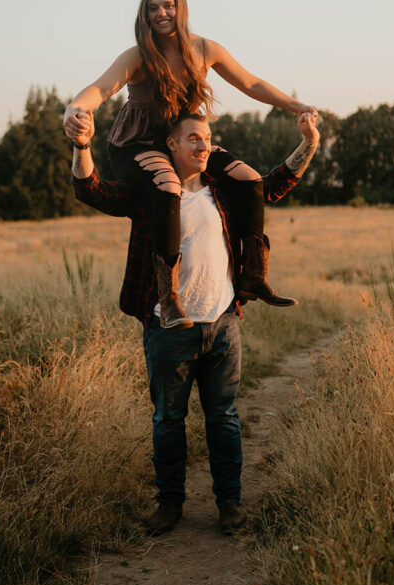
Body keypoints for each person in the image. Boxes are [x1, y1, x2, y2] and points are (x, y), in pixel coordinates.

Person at [71, 109, 320, 535]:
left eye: (206, 139)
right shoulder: (150, 194)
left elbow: (273, 183)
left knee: (223, 419)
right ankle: (169, 506)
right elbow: (93, 191)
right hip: (169, 332)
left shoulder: (222, 190)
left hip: (222, 325)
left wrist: (309, 143)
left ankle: (230, 505)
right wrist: (81, 146)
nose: (203, 146)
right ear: (172, 145)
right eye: (193, 139)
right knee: (169, 420)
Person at [63, 0, 317, 329]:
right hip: (137, 144)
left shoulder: (205, 49)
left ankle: (253, 275)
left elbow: (251, 83)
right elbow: (101, 88)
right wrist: (75, 109)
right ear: (145, 15)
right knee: (168, 187)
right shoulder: (138, 55)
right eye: (153, 8)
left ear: (180, 9)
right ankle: (169, 300)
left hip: (182, 140)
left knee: (250, 179)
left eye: (168, 6)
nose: (161, 13)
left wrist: (296, 105)